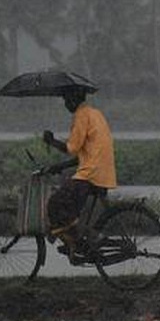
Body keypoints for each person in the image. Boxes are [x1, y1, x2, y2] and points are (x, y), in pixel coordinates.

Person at [42, 86, 116, 259]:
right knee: (70, 207)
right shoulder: (95, 114)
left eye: (67, 100)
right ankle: (76, 241)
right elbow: (85, 154)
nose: (66, 104)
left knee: (55, 202)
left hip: (91, 173)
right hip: (102, 170)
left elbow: (72, 148)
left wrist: (51, 141)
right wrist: (59, 167)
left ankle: (75, 241)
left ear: (75, 99)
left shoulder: (82, 116)